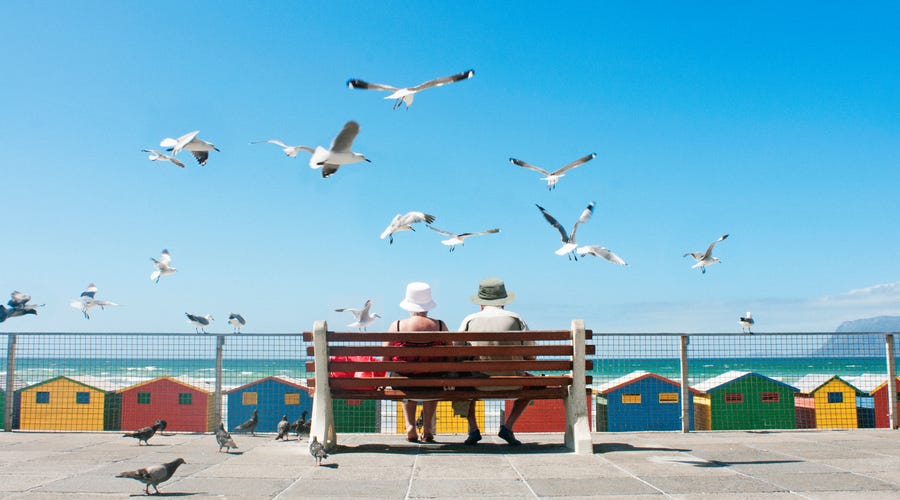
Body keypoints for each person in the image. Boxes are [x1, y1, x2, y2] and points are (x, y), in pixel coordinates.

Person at [456, 277, 532, 446]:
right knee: (534, 384)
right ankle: (508, 426)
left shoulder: (470, 320)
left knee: (462, 381)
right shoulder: (516, 319)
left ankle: (473, 429)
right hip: (514, 383)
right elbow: (531, 355)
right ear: (504, 301)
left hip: (477, 383)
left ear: (481, 303)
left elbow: (458, 353)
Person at [388, 282, 448, 443]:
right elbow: (450, 356)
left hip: (405, 382)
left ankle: (410, 426)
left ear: (409, 305)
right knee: (434, 377)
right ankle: (428, 428)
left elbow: (385, 358)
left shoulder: (397, 326)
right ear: (428, 305)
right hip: (434, 382)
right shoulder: (440, 326)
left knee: (402, 376)